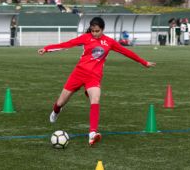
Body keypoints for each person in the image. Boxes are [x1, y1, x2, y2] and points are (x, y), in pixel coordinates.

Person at [38, 17, 156, 146]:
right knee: (60, 102)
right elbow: (66, 44)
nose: (94, 33)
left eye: (97, 31)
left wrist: (144, 62)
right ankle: (56, 111)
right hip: (78, 73)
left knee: (95, 99)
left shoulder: (109, 42)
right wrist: (47, 48)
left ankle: (92, 134)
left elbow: (126, 52)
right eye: (93, 31)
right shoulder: (85, 37)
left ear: (103, 29)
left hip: (94, 76)